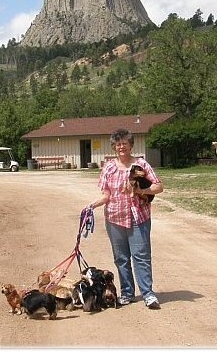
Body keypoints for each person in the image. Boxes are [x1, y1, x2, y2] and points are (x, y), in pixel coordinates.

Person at [87, 128, 163, 309]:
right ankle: (127, 293)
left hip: (139, 218)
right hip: (114, 218)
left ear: (131, 145)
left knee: (141, 256)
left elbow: (158, 187)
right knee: (121, 258)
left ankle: (148, 294)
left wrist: (139, 190)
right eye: (118, 144)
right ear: (114, 146)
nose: (121, 147)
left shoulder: (141, 165)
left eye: (125, 143)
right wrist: (92, 205)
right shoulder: (109, 167)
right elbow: (106, 195)